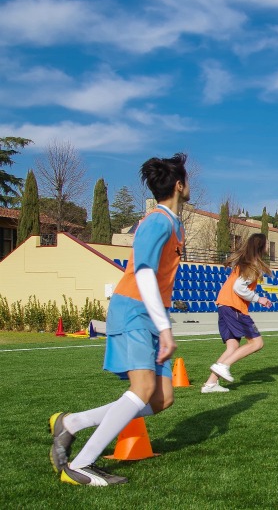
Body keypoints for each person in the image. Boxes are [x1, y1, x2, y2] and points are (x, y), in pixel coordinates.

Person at [49, 153, 189, 486]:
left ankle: (70, 423)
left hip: (152, 315)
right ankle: (81, 465)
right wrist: (165, 328)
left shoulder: (175, 223)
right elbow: (142, 274)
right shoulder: (157, 221)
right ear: (180, 185)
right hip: (133, 309)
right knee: (141, 390)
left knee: (162, 398)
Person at [203, 233, 273, 392]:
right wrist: (258, 298)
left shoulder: (245, 262)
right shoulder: (253, 265)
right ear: (260, 246)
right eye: (267, 244)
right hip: (234, 307)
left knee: (232, 347)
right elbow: (238, 287)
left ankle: (210, 384)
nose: (269, 246)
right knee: (257, 343)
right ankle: (224, 366)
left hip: (223, 305)